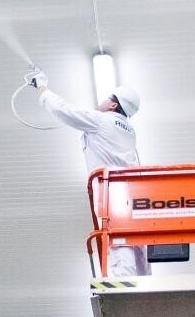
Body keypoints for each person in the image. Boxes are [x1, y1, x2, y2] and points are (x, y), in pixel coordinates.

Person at [30, 73, 150, 277]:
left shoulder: (100, 121)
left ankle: (126, 289)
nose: (101, 102)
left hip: (112, 194)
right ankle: (146, 288)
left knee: (120, 242)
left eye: (106, 99)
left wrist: (42, 88)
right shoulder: (130, 132)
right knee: (138, 244)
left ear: (113, 105)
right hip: (134, 195)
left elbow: (63, 110)